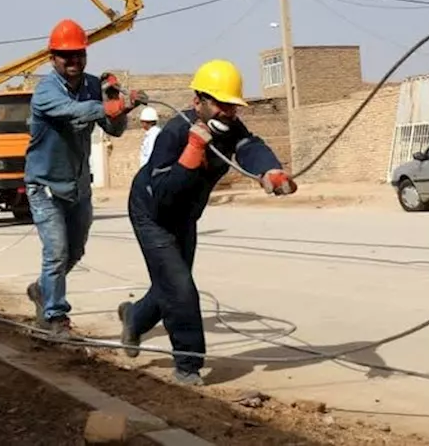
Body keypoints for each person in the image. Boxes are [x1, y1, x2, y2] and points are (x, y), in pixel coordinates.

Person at [117, 60, 297, 386]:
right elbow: (164, 194)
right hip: (152, 214)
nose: (227, 112)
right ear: (197, 101)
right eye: (220, 104)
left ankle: (134, 317)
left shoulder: (231, 130)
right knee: (180, 288)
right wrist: (192, 151)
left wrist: (270, 170)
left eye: (232, 105)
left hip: (185, 215)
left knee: (172, 284)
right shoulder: (174, 133)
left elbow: (250, 147)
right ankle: (188, 365)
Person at [24, 18, 147, 337]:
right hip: (45, 187)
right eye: (66, 56)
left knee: (75, 251)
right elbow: (75, 111)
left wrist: (120, 106)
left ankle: (42, 290)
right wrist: (110, 105)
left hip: (78, 186)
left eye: (79, 54)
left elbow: (115, 129)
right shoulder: (45, 92)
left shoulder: (94, 86)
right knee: (57, 251)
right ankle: (55, 316)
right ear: (53, 58)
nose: (74, 61)